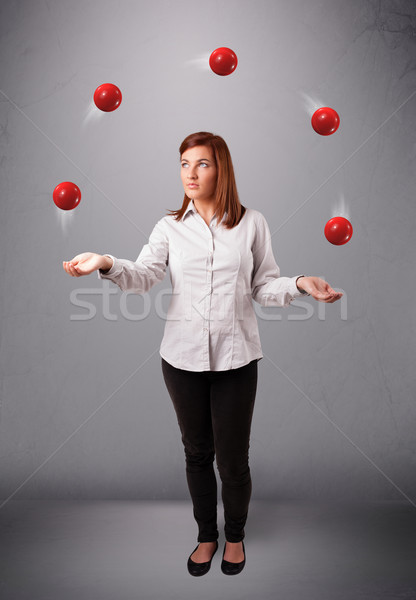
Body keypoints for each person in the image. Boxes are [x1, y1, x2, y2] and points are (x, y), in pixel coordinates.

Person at [62, 131, 343, 577]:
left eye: (202, 164)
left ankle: (234, 537)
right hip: (181, 361)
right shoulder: (168, 227)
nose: (190, 174)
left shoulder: (253, 223)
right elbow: (144, 275)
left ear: (222, 169)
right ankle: (205, 536)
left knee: (233, 460)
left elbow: (262, 286)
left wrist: (301, 283)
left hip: (237, 360)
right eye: (184, 164)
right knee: (196, 454)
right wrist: (105, 261)